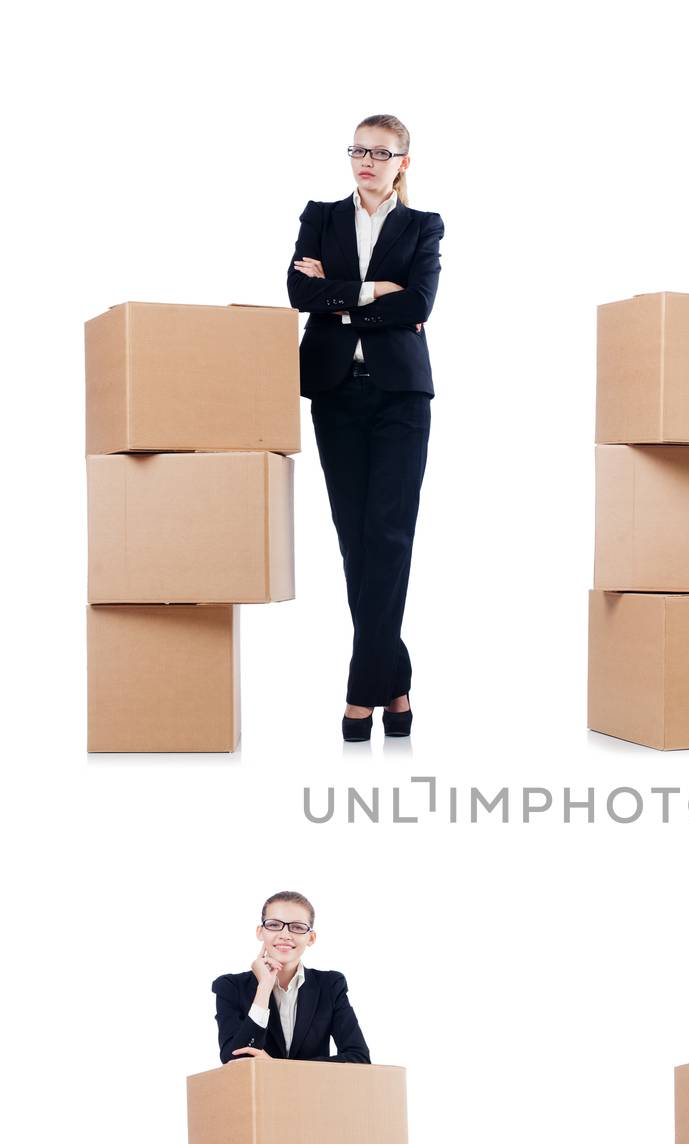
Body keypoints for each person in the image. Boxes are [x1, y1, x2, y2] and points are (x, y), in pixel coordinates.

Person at [287, 114, 443, 742]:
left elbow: (421, 303)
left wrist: (343, 298)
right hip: (334, 393)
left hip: (401, 397)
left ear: (403, 161)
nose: (367, 161)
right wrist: (378, 289)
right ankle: (396, 685)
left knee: (388, 535)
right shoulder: (319, 216)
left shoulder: (422, 225)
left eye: (382, 152)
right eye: (359, 150)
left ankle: (361, 689)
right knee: (355, 538)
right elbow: (298, 293)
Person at [212, 891, 370, 1064]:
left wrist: (279, 1068)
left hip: (312, 1092)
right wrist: (264, 987)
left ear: (311, 937)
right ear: (260, 932)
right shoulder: (230, 987)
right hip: (258, 1092)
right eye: (274, 925)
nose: (285, 935)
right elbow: (234, 1061)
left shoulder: (330, 985)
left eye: (297, 927)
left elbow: (359, 1059)